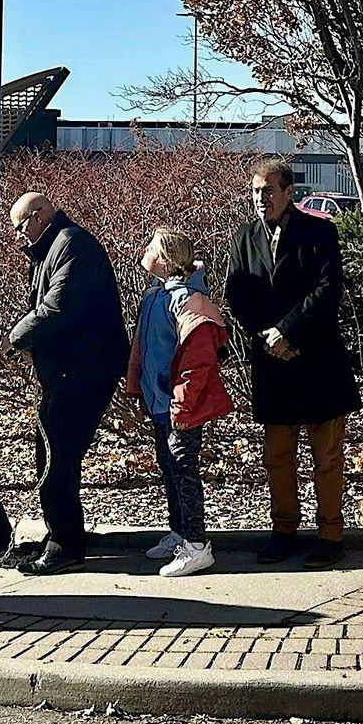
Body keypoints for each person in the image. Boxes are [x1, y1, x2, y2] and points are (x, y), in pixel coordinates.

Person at [224, 158, 361, 566]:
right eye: (255, 191)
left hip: (317, 360)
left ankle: (330, 534)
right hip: (272, 363)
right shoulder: (244, 237)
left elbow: (328, 289)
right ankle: (283, 531)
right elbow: (238, 294)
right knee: (277, 457)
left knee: (327, 457)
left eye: (268, 190)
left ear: (289, 192)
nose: (260, 198)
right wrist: (269, 336)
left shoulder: (320, 232)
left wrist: (289, 332)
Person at [6, 191, 130, 576]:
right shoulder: (57, 245)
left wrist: (17, 337)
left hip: (82, 368)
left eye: (21, 226)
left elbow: (57, 307)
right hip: (74, 368)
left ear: (39, 215)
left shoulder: (71, 243)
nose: (20, 236)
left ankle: (65, 545)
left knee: (56, 454)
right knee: (53, 451)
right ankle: (61, 534)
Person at [126, 229, 233, 578]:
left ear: (166, 258)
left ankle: (197, 545)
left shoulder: (188, 301)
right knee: (170, 467)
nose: (145, 251)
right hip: (160, 402)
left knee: (184, 470)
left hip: (181, 405)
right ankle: (180, 533)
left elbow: (198, 361)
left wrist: (182, 405)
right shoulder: (155, 296)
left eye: (151, 247)